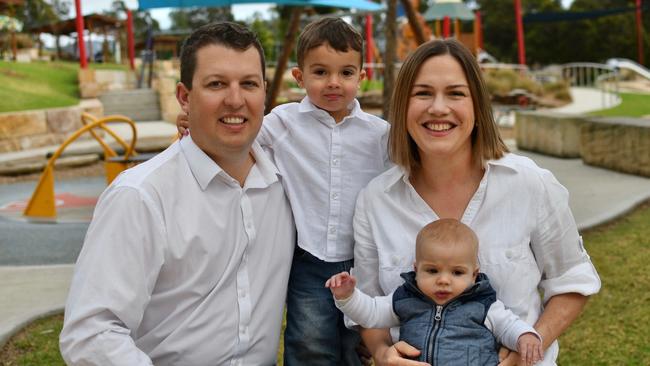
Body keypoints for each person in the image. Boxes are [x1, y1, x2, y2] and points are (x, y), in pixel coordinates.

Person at [351, 38, 601, 366]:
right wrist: (383, 353)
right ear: (403, 106)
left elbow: (572, 281)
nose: (438, 108)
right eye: (423, 93)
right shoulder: (375, 201)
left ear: (477, 106)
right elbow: (369, 307)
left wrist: (526, 350)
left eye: (455, 93)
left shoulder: (529, 183)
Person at [59, 21, 295, 365]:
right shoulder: (140, 197)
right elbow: (91, 333)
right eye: (216, 84)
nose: (235, 99)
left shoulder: (287, 181)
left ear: (264, 92)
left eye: (249, 84)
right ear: (185, 97)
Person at [178, 17, 390, 365]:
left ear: (362, 77)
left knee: (359, 343)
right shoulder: (282, 123)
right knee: (310, 341)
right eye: (320, 72)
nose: (334, 83)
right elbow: (238, 141)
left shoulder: (379, 135)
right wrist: (195, 126)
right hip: (308, 258)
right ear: (299, 76)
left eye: (346, 73)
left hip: (363, 261)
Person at [326, 219, 543, 366]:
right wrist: (347, 296)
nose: (443, 280)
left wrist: (525, 336)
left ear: (474, 275)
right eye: (432, 270)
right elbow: (370, 313)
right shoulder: (404, 298)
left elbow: (508, 325)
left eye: (457, 272)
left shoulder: (483, 304)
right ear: (416, 269)